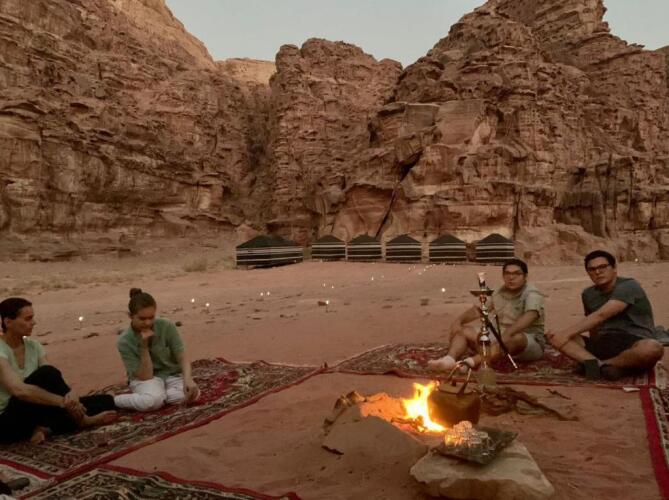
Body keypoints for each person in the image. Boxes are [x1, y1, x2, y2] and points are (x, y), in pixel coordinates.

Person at [0, 298, 117, 444]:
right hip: (8, 418)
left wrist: (71, 395)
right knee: (46, 373)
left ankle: (44, 429)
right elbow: (19, 391)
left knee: (106, 401)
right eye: (28, 319)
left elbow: (53, 381)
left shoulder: (34, 346)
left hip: (36, 408)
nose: (33, 323)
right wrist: (64, 403)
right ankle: (82, 421)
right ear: (8, 322)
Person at [547, 250, 663, 380]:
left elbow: (601, 315)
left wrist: (565, 334)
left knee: (652, 348)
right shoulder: (588, 294)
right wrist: (589, 344)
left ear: (614, 268)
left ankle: (597, 365)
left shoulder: (629, 286)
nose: (598, 272)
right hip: (606, 342)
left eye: (603, 267)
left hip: (634, 341)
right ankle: (607, 367)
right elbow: (592, 324)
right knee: (553, 336)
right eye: (592, 269)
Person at [428, 258, 546, 371]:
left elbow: (530, 315)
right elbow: (479, 310)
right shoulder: (498, 292)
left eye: (517, 274)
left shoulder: (532, 293)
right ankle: (448, 360)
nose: (511, 277)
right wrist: (458, 321)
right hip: (499, 335)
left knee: (515, 338)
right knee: (464, 331)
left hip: (527, 341)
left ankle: (471, 362)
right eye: (507, 273)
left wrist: (508, 333)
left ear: (525, 277)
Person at [114, 288, 200, 412]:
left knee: (193, 394)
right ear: (131, 316)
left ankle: (159, 396)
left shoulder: (166, 325)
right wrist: (143, 347)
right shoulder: (124, 341)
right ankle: (115, 400)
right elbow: (145, 376)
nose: (147, 323)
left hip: (171, 374)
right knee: (152, 402)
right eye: (142, 319)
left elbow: (181, 356)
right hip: (145, 380)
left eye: (151, 317)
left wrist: (188, 379)